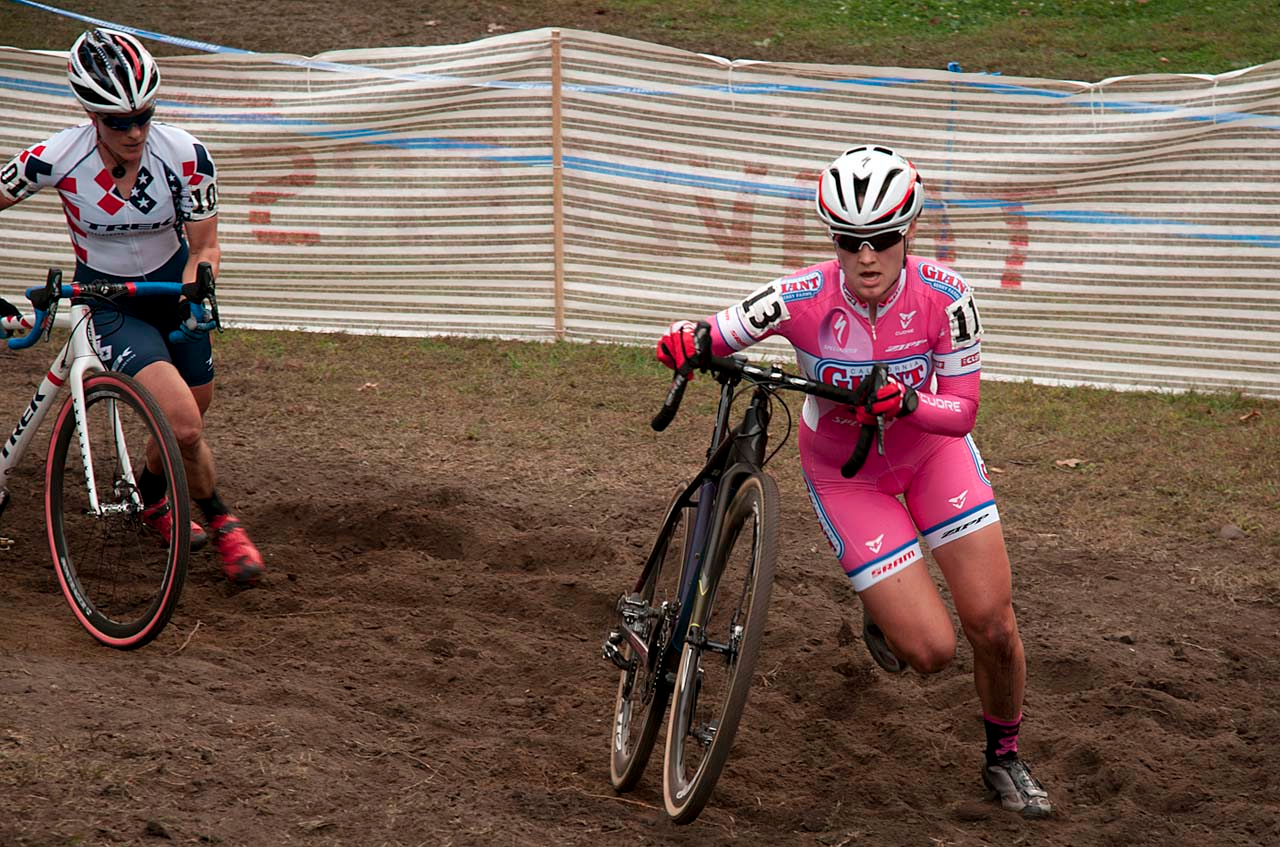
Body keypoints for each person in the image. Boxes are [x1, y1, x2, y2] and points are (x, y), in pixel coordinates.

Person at [655, 145, 1051, 818]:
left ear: (910, 233)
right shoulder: (801, 297)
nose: (867, 257)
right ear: (833, 240)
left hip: (931, 455)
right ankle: (885, 602)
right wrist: (683, 341)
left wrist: (905, 402)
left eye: (884, 239)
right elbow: (718, 332)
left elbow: (963, 410)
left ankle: (1005, 756)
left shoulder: (948, 299)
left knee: (993, 625)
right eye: (850, 241)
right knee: (930, 651)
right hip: (848, 476)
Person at [0, 28, 264, 584]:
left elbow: (205, 243)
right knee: (186, 427)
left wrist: (197, 291)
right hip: (110, 300)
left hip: (177, 293)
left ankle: (152, 500)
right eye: (119, 122)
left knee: (184, 423)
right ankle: (220, 519)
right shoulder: (54, 157)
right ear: (91, 115)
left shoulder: (186, 154)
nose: (136, 132)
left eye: (144, 115)